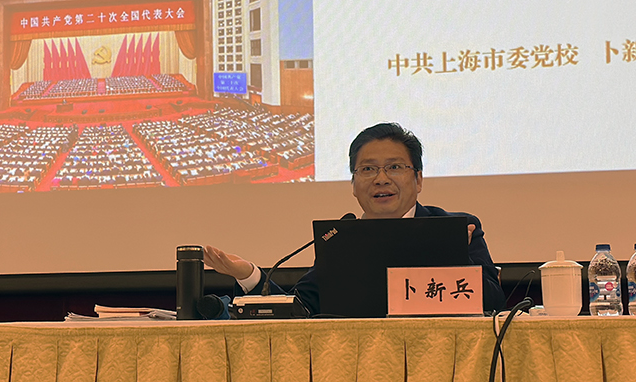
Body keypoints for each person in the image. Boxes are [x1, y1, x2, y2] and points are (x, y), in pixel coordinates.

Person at [204, 121, 504, 315]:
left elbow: (494, 302)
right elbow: (299, 311)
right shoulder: (342, 239)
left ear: (419, 179)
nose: (381, 179)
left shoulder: (457, 228)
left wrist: (450, 255)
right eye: (368, 169)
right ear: (353, 184)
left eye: (395, 167)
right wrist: (249, 275)